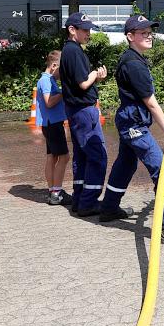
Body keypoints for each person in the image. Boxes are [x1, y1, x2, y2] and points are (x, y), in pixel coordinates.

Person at [99, 15, 164, 246]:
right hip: (134, 125)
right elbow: (151, 103)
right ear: (130, 36)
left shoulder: (132, 58)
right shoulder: (134, 64)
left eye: (150, 31)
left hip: (129, 121)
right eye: (142, 32)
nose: (149, 35)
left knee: (126, 164)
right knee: (162, 171)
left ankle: (109, 208)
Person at [60, 12, 109, 216]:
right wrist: (95, 75)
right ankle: (89, 202)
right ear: (72, 30)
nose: (89, 33)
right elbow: (82, 83)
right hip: (84, 111)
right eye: (85, 30)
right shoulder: (74, 52)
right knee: (98, 156)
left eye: (89, 29)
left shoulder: (69, 51)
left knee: (81, 155)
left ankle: (79, 198)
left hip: (75, 111)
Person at [36, 50, 72, 206]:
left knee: (53, 157)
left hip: (50, 124)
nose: (62, 74)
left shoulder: (47, 80)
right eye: (61, 70)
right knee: (64, 157)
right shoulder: (46, 81)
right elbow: (49, 102)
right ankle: (56, 193)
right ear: (54, 66)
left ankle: (53, 190)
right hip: (52, 124)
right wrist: (65, 91)